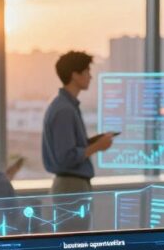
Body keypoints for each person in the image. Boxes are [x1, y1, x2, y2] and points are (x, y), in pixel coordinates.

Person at [42, 50, 114, 194]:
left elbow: (69, 148)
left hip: (72, 184)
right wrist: (98, 146)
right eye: (87, 71)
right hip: (71, 186)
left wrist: (93, 142)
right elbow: (66, 158)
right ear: (75, 75)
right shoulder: (64, 110)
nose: (91, 76)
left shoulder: (66, 106)